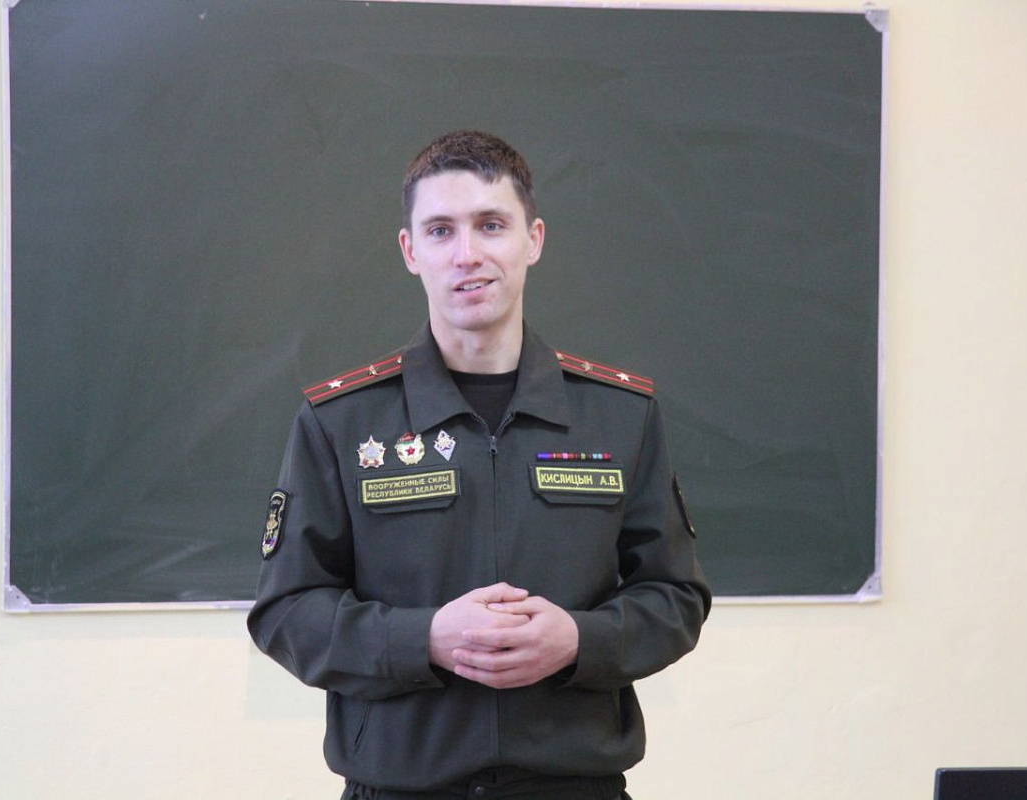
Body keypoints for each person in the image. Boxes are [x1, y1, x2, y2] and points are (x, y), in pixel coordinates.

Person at [248, 130, 710, 800]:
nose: (468, 254)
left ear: (533, 240)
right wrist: (424, 639)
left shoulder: (619, 415)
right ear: (410, 251)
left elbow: (676, 598)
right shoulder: (340, 422)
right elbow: (286, 613)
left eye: (491, 225)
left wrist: (579, 640)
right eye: (440, 230)